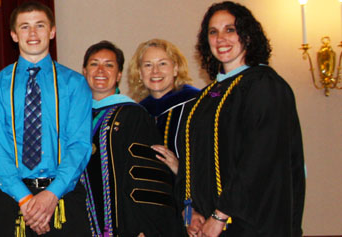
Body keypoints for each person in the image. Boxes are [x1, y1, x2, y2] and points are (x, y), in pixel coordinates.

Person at [178, 2, 306, 236]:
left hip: (252, 225)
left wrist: (220, 215)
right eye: (213, 32)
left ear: (247, 35)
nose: (220, 39)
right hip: (211, 225)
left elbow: (258, 160)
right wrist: (192, 212)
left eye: (230, 30)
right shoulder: (206, 97)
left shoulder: (264, 86)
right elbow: (193, 162)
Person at [0, 2, 91, 236]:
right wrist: (26, 201)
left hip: (63, 196)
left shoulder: (75, 84)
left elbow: (79, 145)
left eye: (39, 26)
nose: (32, 34)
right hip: (14, 197)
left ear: (52, 31)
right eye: (24, 27)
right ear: (13, 34)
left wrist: (52, 194)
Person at [79, 41, 184, 236]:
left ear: (119, 75)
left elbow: (147, 180)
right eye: (94, 64)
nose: (101, 70)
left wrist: (143, 228)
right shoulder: (74, 118)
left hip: (128, 227)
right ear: (84, 71)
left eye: (109, 65)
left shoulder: (134, 115)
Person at [125, 38, 200, 132]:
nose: (155, 71)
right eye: (148, 65)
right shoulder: (139, 113)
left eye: (162, 64)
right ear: (140, 72)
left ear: (176, 69)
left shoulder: (195, 102)